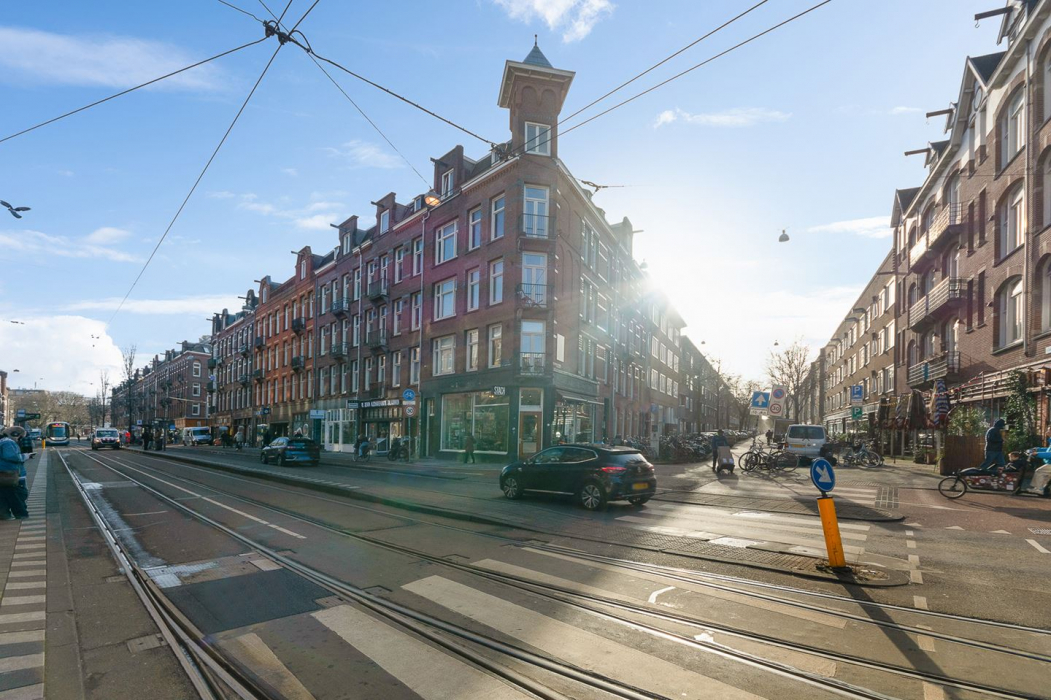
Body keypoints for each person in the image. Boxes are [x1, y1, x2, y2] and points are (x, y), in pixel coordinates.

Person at [0, 427, 31, 520]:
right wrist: (25, 456)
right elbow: (11, 456)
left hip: (5, 473)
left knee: (4, 495)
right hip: (12, 473)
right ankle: (21, 514)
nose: (20, 439)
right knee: (19, 494)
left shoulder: (3, 441)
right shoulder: (8, 443)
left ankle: (4, 514)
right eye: (20, 437)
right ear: (15, 434)